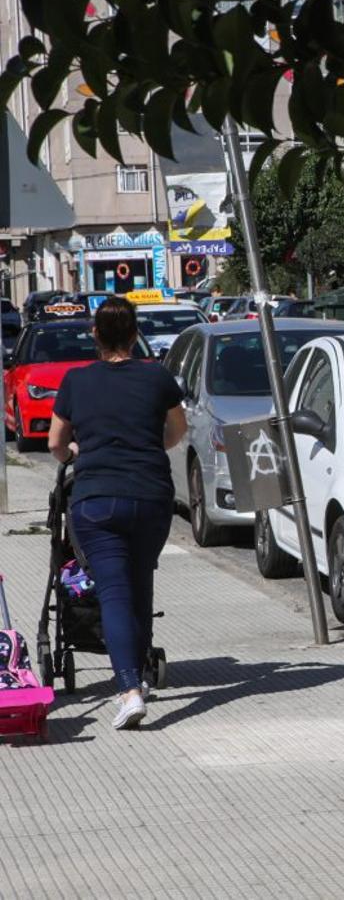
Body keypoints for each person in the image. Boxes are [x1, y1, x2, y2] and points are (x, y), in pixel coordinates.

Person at [47, 297, 187, 729]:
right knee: (140, 582)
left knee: (113, 592)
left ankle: (128, 689)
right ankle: (140, 675)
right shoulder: (157, 377)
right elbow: (177, 432)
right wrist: (143, 447)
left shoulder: (76, 381)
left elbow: (55, 443)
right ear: (134, 334)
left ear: (95, 335)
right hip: (150, 496)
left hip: (96, 499)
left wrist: (76, 449)